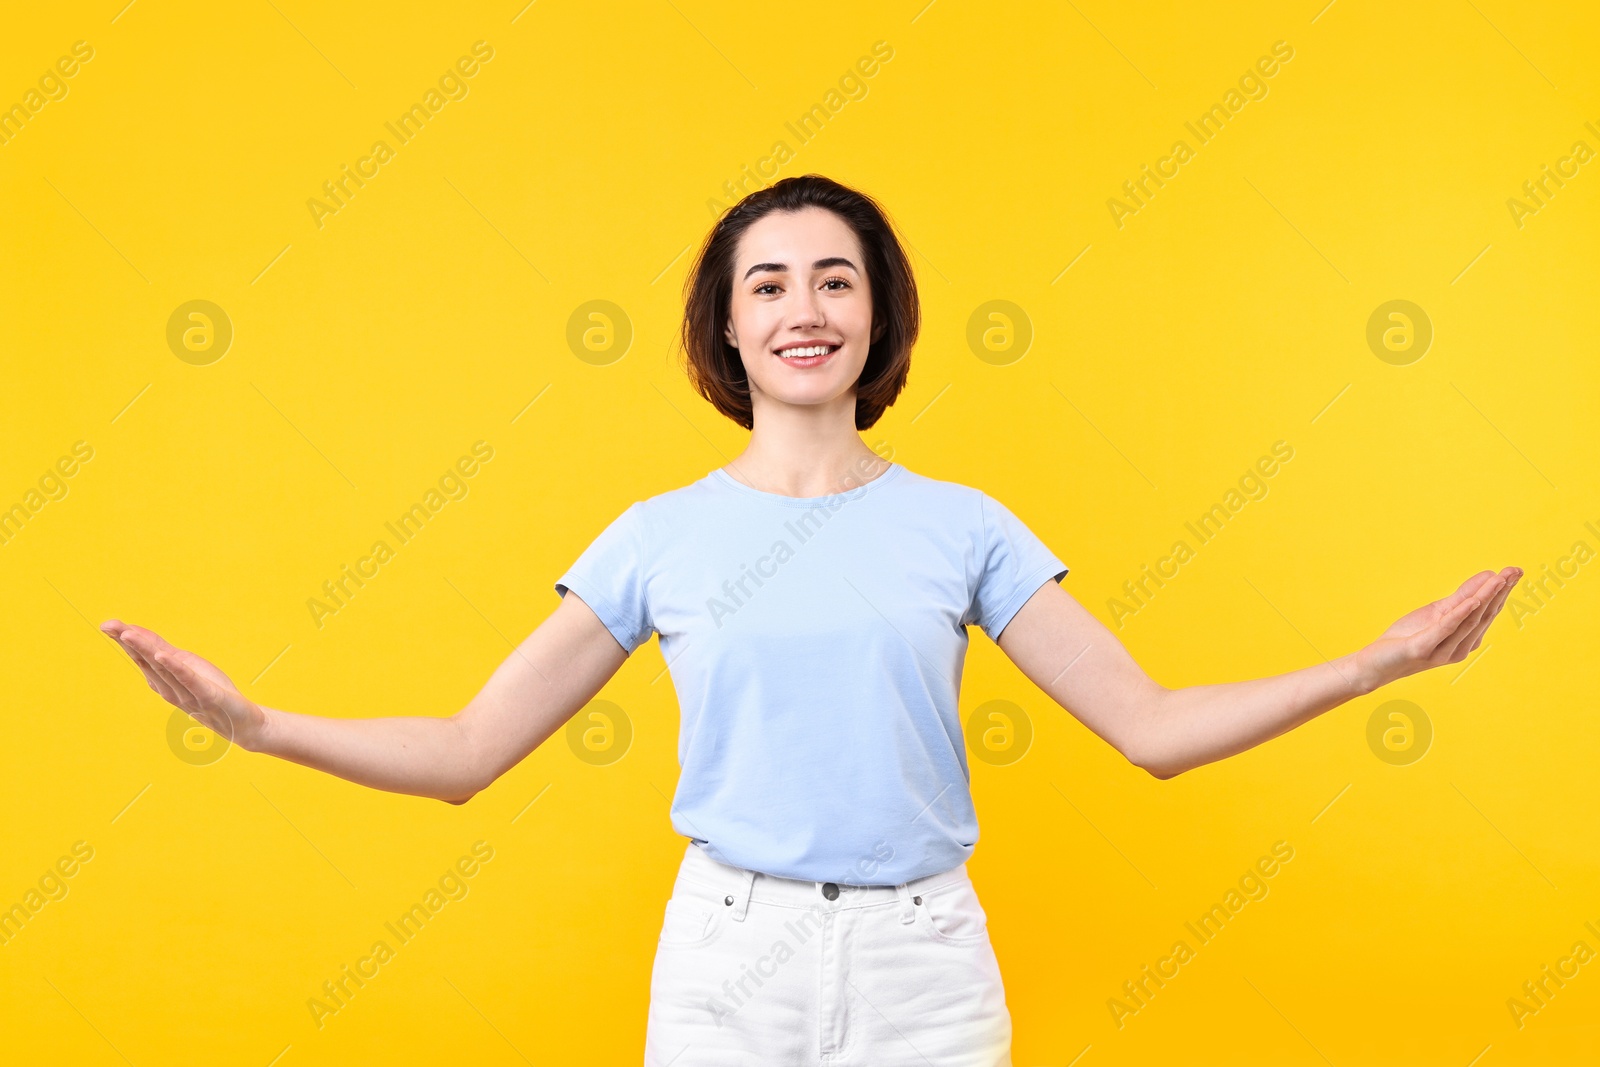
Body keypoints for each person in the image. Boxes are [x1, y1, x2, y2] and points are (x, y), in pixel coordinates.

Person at [101, 174, 1520, 1066]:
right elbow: (471, 747)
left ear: (877, 315)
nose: (803, 307)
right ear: (727, 327)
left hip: (923, 969)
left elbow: (1150, 729)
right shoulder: (657, 538)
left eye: (834, 278)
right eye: (766, 283)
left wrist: (1376, 662)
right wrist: (256, 724)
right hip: (726, 965)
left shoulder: (964, 527)